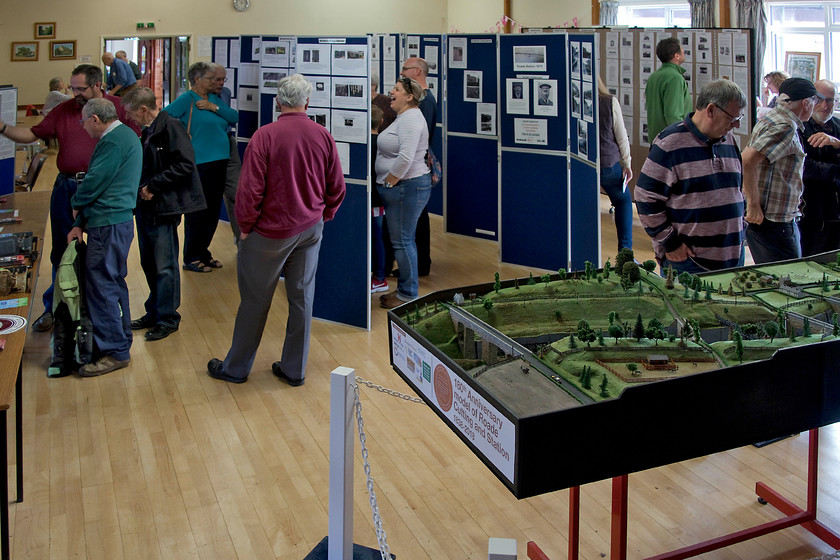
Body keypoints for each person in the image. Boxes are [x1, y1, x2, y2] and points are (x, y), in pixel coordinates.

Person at [207, 74, 345, 385]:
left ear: (277, 102)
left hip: (269, 233)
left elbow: (250, 190)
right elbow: (336, 185)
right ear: (307, 103)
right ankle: (294, 370)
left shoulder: (264, 136)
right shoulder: (323, 135)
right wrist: (327, 213)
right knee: (302, 298)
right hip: (310, 228)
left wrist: (244, 227)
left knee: (255, 301)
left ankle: (236, 368)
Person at [0, 63, 139, 333]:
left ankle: (104, 315)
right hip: (67, 186)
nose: (74, 93)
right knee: (63, 252)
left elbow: (135, 142)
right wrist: (4, 126)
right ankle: (57, 308)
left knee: (104, 257)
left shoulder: (118, 108)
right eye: (72, 88)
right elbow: (32, 134)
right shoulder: (65, 109)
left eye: (80, 89)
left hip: (104, 190)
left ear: (98, 85)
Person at [635, 80, 747, 274]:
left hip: (733, 258)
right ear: (711, 110)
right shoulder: (669, 144)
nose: (736, 125)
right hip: (689, 262)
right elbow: (645, 198)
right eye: (732, 118)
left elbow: (736, 189)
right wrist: (670, 243)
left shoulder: (728, 140)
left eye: (740, 118)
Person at [122, 87, 207, 341]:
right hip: (147, 207)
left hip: (163, 207)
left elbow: (185, 164)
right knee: (149, 263)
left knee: (165, 266)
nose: (129, 118)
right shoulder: (148, 130)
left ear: (144, 110)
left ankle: (168, 317)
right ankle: (154, 311)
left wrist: (153, 185)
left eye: (131, 113)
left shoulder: (171, 126)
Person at [68, 98, 142, 376]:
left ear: (96, 119)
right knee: (112, 282)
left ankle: (114, 350)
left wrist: (76, 202)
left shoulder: (112, 142)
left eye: (83, 121)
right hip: (116, 222)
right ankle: (119, 341)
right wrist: (80, 220)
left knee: (101, 286)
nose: (83, 127)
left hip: (107, 224)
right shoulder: (127, 135)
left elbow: (94, 182)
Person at [163, 61, 238, 272]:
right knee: (197, 211)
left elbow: (234, 117)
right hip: (199, 163)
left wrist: (214, 107)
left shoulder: (214, 98)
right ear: (197, 79)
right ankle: (191, 257)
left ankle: (204, 252)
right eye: (211, 78)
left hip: (220, 160)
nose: (216, 82)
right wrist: (180, 137)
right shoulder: (187, 99)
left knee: (213, 211)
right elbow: (165, 119)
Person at [742, 77, 822, 264]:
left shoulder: (771, 117)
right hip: (775, 222)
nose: (815, 106)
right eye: (815, 101)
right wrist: (753, 204)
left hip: (769, 220)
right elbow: (747, 159)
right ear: (806, 103)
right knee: (789, 280)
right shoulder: (785, 126)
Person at [377, 77, 431, 309]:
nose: (391, 92)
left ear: (409, 96)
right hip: (404, 188)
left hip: (406, 187)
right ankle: (404, 290)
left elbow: (406, 157)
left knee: (403, 242)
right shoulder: (406, 117)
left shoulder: (410, 119)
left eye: (397, 90)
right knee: (402, 241)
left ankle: (408, 294)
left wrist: (389, 183)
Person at [400, 57, 436, 277]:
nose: (401, 72)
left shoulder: (425, 101)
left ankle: (421, 264)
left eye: (404, 69)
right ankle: (418, 263)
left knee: (419, 216)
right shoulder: (420, 99)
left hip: (416, 167)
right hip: (414, 165)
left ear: (416, 72)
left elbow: (418, 137)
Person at [797, 79, 840, 256]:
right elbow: (804, 168)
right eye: (819, 99)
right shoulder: (799, 127)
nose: (825, 105)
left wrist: (837, 144)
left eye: (830, 100)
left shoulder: (837, 126)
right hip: (810, 213)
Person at [597, 77, 633, 251]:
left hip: (579, 168)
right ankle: (625, 251)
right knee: (623, 201)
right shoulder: (609, 102)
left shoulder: (568, 100)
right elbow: (621, 136)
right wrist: (627, 163)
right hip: (608, 164)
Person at [209, 63, 242, 246]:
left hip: (227, 142)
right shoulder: (194, 97)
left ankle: (240, 239)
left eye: (224, 79)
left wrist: (213, 107)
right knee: (208, 200)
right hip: (208, 146)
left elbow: (232, 117)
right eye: (217, 79)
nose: (221, 83)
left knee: (236, 193)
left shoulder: (226, 93)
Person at [645, 37, 692, 142]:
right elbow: (673, 116)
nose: (684, 51)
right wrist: (685, 140)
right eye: (682, 49)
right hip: (671, 142)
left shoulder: (654, 76)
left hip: (657, 139)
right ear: (677, 56)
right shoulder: (675, 78)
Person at [370, 106, 389, 294]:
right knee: (376, 238)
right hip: (379, 198)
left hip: (375, 201)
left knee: (377, 239)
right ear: (381, 122)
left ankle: (380, 277)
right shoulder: (383, 144)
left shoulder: (372, 145)